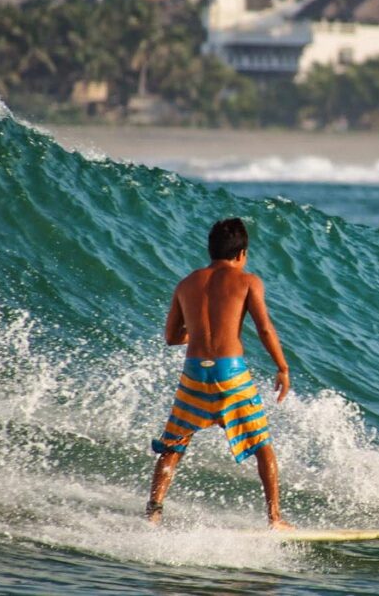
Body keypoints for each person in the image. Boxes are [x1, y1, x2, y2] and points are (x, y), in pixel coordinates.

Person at [146, 218, 293, 529]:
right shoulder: (247, 281)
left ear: (210, 250)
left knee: (174, 445)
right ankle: (275, 518)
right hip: (231, 374)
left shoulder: (186, 283)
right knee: (262, 445)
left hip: (194, 375)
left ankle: (154, 514)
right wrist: (282, 367)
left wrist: (197, 336)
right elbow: (264, 328)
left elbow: (172, 337)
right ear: (241, 254)